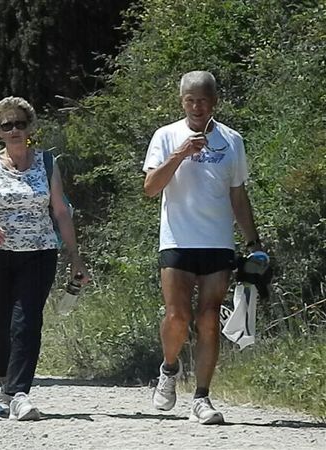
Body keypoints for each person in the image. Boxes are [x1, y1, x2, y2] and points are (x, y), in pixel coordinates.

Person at [143, 71, 263, 424]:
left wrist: (253, 241)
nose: (197, 106)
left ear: (214, 101)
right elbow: (151, 187)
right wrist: (180, 154)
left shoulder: (232, 140)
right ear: (182, 102)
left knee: (209, 319)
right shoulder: (166, 136)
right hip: (178, 240)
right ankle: (168, 370)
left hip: (217, 243)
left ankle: (202, 398)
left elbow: (238, 195)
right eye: (190, 100)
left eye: (203, 99)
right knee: (178, 317)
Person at [0, 96, 90, 421]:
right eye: (6, 125)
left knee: (27, 322)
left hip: (38, 254)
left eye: (20, 124)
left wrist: (74, 256)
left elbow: (61, 211)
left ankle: (18, 393)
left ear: (30, 127)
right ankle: (2, 381)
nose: (14, 130)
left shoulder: (47, 162)